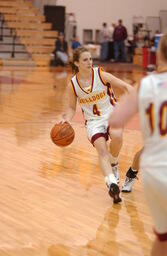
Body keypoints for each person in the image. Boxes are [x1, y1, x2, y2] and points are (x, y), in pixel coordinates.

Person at [109, 34, 167, 255]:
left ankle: (131, 175)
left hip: (153, 171)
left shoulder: (146, 84)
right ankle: (130, 175)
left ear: (159, 54)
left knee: (162, 238)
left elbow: (115, 120)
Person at [59, 46, 132, 204]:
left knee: (117, 137)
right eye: (85, 60)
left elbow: (124, 86)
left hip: (112, 113)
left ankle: (114, 164)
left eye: (90, 59)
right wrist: (67, 119)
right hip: (93, 122)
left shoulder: (100, 74)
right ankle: (111, 183)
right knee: (101, 150)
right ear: (77, 63)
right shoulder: (73, 84)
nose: (89, 62)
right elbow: (72, 108)